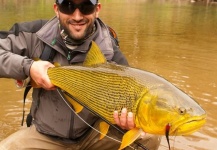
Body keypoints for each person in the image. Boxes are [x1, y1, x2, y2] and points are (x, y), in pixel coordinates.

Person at [0, 0, 161, 149]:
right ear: (56, 9)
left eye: (85, 7)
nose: (77, 16)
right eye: (68, 6)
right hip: (45, 135)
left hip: (93, 136)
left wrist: (129, 123)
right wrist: (29, 67)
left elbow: (128, 106)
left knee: (149, 138)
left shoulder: (112, 54)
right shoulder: (33, 34)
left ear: (97, 9)